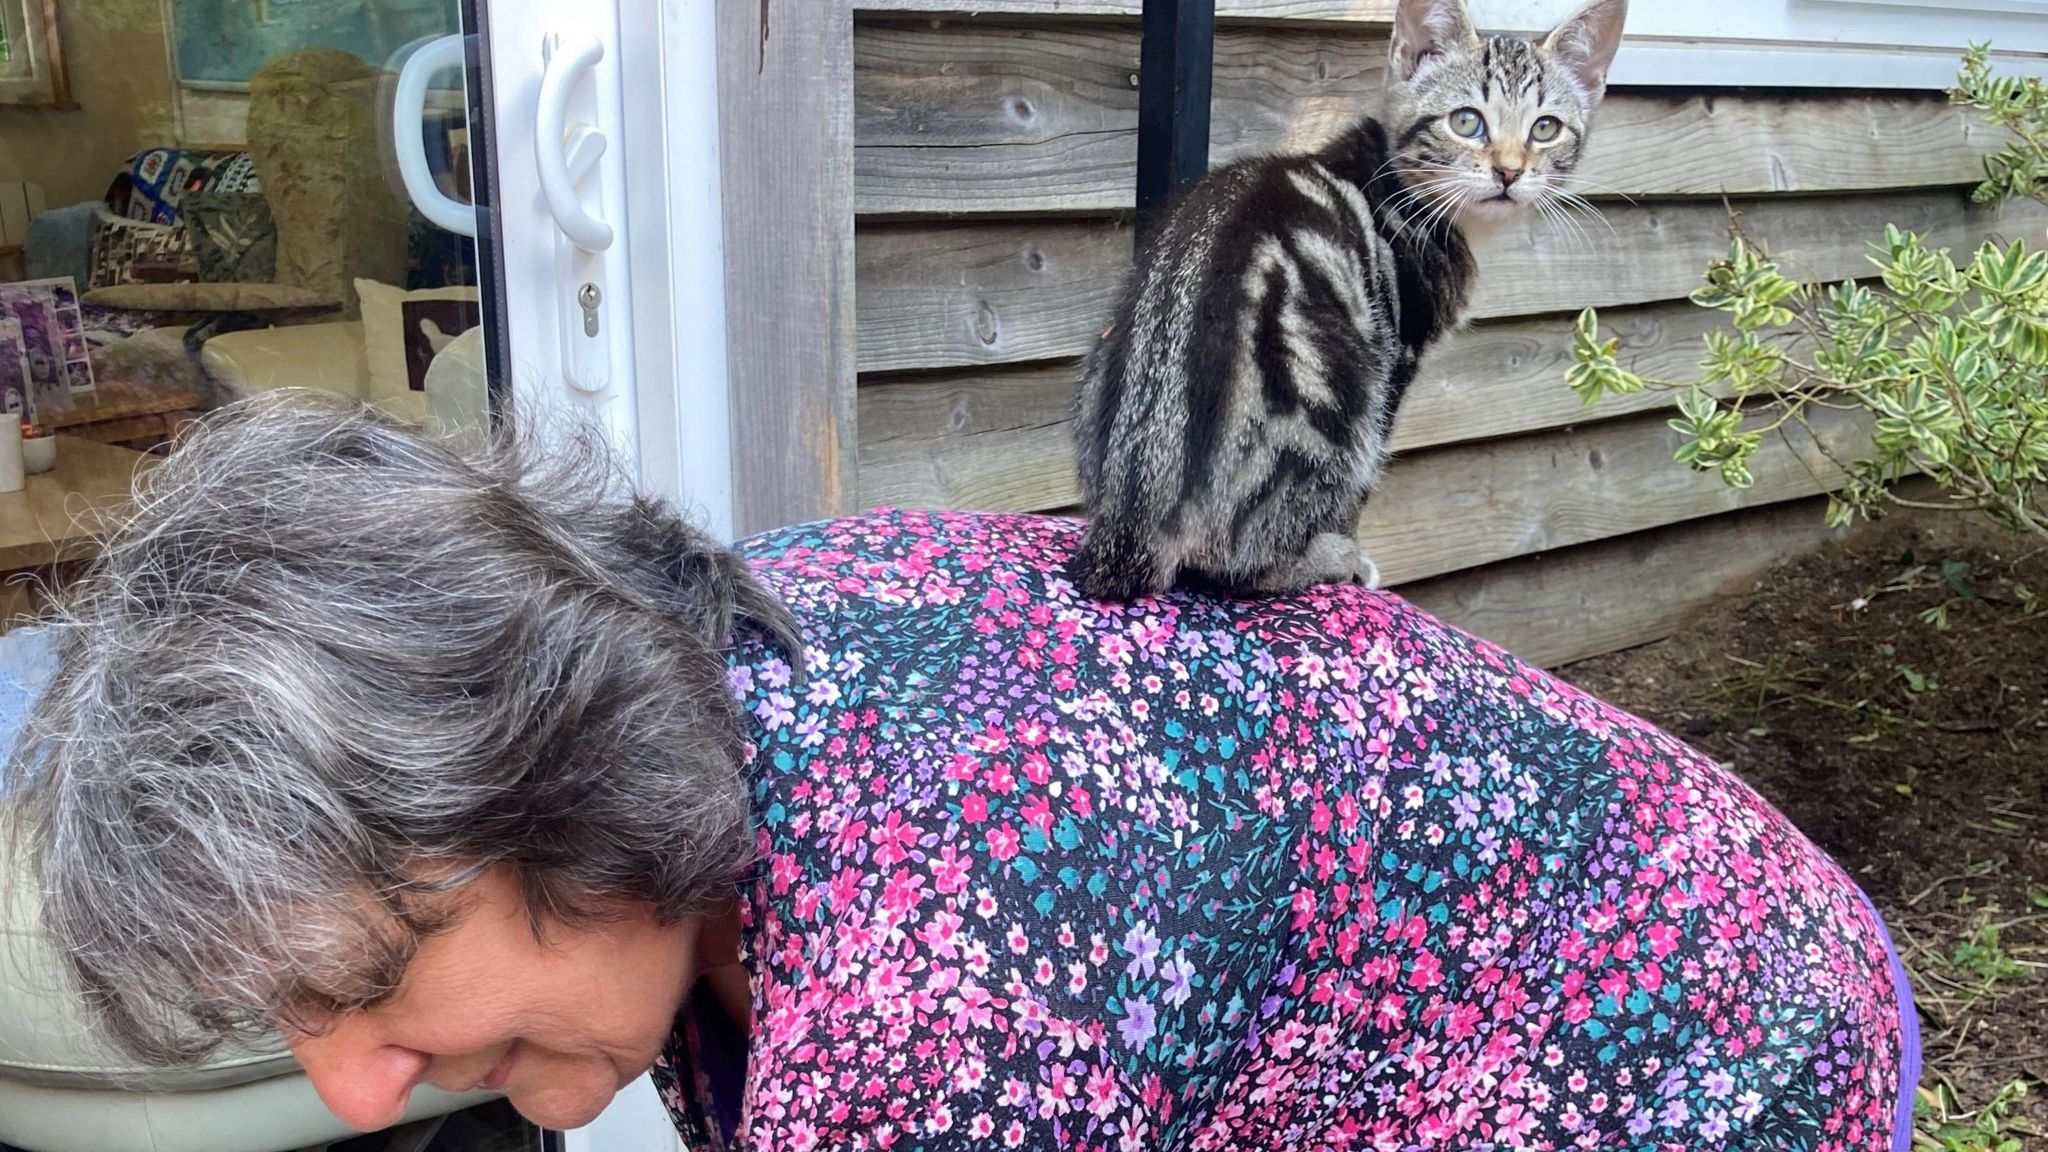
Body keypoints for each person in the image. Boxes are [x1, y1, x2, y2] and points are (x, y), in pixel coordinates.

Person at [10, 393, 1918, 1151]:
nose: (351, 1092)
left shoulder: (942, 984)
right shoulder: (734, 653)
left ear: (558, 790)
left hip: (1698, 1044)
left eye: (365, 985)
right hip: (1589, 928)